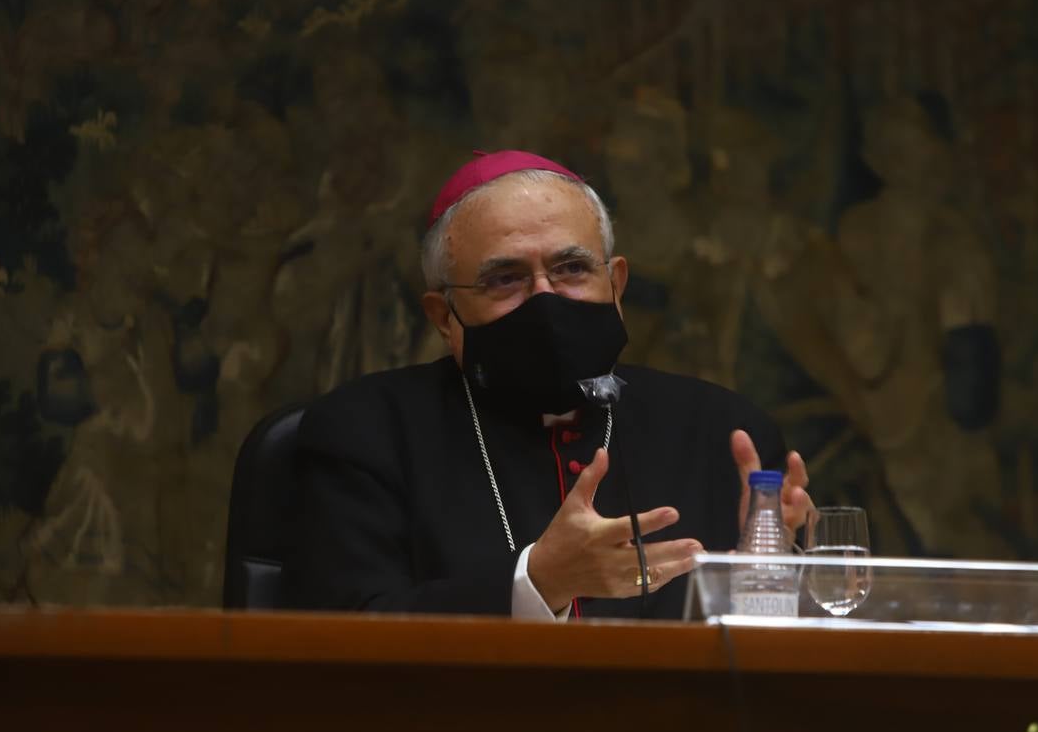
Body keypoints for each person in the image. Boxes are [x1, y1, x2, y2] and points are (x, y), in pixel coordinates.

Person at [285, 151, 812, 619]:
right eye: (504, 279)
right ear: (444, 316)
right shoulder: (365, 432)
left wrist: (776, 579)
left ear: (617, 284)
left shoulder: (722, 431)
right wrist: (537, 584)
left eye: (572, 268)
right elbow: (342, 641)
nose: (546, 299)